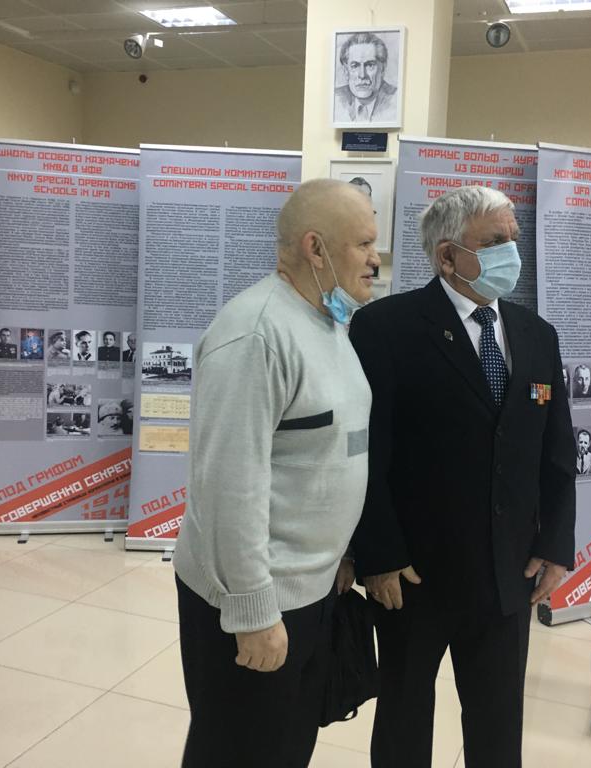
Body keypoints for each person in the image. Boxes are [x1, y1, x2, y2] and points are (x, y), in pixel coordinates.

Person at [348, 185, 575, 768]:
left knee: (498, 725)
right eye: (495, 241)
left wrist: (555, 544)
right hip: (413, 576)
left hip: (508, 573)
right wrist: (378, 555)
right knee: (403, 721)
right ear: (448, 256)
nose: (511, 252)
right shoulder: (384, 328)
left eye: (513, 239)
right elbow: (366, 453)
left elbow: (556, 451)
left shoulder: (536, 335)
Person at [172, 179, 380, 768]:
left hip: (311, 590)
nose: (376, 260)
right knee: (238, 752)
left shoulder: (327, 321)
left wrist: (340, 557)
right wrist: (254, 612)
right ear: (315, 248)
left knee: (284, 749)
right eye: (364, 244)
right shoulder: (255, 335)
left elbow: (332, 451)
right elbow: (228, 487)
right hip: (258, 602)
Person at [333, 31, 398, 124]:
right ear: (346, 71)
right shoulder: (336, 99)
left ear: (382, 68)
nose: (362, 75)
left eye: (370, 65)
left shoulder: (395, 99)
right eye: (355, 66)